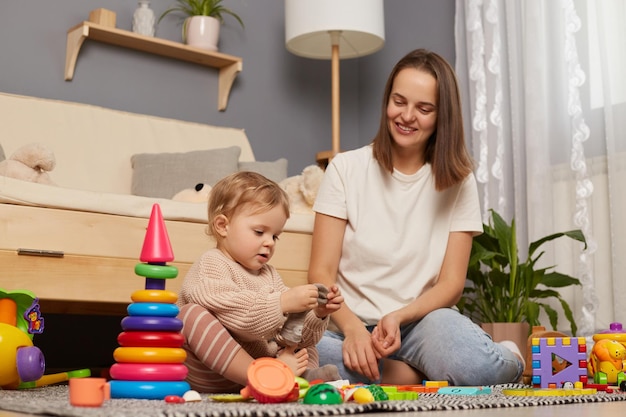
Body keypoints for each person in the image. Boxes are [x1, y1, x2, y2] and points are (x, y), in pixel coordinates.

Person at [308, 48, 524, 386]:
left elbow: (451, 285)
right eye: (399, 101)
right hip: (350, 324)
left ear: (442, 117)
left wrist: (399, 316)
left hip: (422, 322)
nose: (407, 116)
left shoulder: (459, 181)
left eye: (424, 109)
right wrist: (352, 331)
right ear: (387, 101)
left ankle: (508, 356)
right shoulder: (345, 168)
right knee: (295, 355)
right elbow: (320, 271)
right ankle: (409, 374)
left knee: (477, 368)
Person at [177, 171, 344, 393]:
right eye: (259, 232)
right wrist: (283, 303)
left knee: (306, 344)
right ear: (222, 226)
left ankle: (303, 378)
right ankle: (270, 375)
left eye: (275, 236)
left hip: (260, 364)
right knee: (189, 316)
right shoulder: (211, 264)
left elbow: (291, 333)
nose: (269, 243)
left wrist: (318, 314)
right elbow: (241, 320)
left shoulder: (270, 275)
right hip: (208, 372)